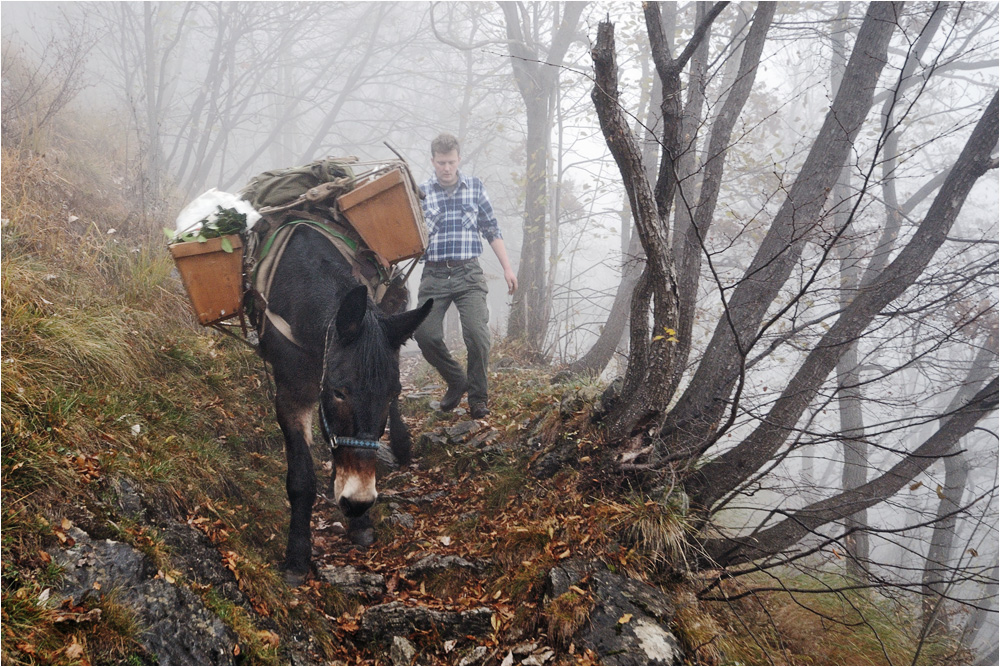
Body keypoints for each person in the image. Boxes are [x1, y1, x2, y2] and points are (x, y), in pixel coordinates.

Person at [414, 133, 517, 419]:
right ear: (433, 161)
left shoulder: (474, 187)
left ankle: (478, 399)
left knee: (477, 334)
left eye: (451, 162)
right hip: (434, 274)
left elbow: (491, 229)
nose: (446, 168)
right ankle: (456, 379)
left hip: (468, 273)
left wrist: (507, 268)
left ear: (459, 160)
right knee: (425, 333)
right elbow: (410, 235)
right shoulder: (422, 192)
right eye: (441, 163)